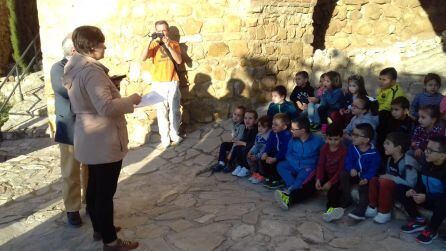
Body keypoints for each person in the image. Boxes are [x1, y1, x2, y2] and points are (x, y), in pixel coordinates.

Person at [63, 25, 141, 250]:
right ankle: (111, 241)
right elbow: (106, 107)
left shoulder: (73, 66)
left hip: (88, 136)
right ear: (91, 46)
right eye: (101, 42)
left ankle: (100, 229)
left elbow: (89, 99)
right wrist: (131, 100)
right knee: (105, 193)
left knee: (95, 186)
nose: (104, 46)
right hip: (102, 138)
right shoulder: (91, 71)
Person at [50, 34, 88, 227]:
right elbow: (65, 90)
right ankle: (72, 210)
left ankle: (90, 201)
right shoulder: (57, 68)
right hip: (69, 125)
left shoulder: (85, 64)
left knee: (90, 166)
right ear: (73, 50)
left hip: (88, 123)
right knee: (70, 170)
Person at [140, 20, 183, 148]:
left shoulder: (174, 44)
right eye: (159, 31)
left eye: (164, 30)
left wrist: (168, 45)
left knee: (175, 110)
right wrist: (149, 40)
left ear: (167, 31)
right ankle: (164, 138)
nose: (162, 33)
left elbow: (179, 61)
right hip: (158, 83)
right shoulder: (153, 45)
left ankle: (174, 134)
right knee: (161, 111)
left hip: (172, 80)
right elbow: (142, 58)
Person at [398, 136, 446, 245]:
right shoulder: (427, 162)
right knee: (400, 188)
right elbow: (421, 182)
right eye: (426, 148)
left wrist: (426, 197)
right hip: (428, 198)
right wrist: (414, 191)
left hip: (440, 204)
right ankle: (418, 220)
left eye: (430, 150)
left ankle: (432, 230)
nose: (426, 152)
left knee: (443, 202)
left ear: (442, 155)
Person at [366, 132, 419, 224]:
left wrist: (392, 178)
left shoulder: (408, 163)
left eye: (388, 143)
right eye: (384, 143)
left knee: (385, 182)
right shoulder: (390, 159)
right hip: (393, 187)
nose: (384, 145)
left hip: (406, 191)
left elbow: (411, 184)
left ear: (398, 148)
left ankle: (384, 212)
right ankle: (373, 206)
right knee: (374, 179)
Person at [274, 117, 324, 210]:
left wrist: (315, 166)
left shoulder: (318, 141)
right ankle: (292, 187)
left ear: (303, 130)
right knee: (281, 166)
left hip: (308, 167)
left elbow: (323, 156)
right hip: (294, 164)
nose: (291, 131)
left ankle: (289, 194)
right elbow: (288, 154)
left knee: (302, 176)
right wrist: (295, 164)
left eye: (293, 129)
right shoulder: (293, 139)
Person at [336, 123, 381, 221]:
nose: (353, 137)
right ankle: (346, 198)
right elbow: (348, 160)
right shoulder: (353, 147)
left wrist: (366, 178)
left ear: (366, 140)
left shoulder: (374, 153)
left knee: (364, 188)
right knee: (343, 174)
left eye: (356, 135)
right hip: (354, 174)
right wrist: (351, 168)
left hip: (365, 177)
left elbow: (373, 169)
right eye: (353, 134)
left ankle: (361, 209)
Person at [315, 125, 348, 222]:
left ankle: (330, 211)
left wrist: (330, 182)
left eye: (336, 139)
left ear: (341, 138)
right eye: (330, 139)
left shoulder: (343, 151)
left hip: (336, 177)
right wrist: (318, 179)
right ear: (326, 138)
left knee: (333, 193)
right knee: (315, 183)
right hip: (326, 173)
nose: (333, 142)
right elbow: (320, 165)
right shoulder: (324, 149)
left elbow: (341, 169)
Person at [261, 113, 292, 189]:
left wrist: (275, 158)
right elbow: (269, 144)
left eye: (276, 125)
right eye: (272, 124)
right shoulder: (272, 133)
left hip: (284, 156)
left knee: (275, 163)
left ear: (284, 127)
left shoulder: (287, 135)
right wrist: (266, 153)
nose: (273, 126)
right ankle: (269, 176)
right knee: (263, 159)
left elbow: (284, 150)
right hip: (276, 154)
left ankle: (278, 179)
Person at [212, 106, 246, 172]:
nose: (235, 116)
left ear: (242, 118)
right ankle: (221, 162)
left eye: (239, 115)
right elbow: (234, 135)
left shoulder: (242, 126)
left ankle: (230, 164)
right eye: (235, 114)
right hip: (235, 142)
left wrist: (231, 151)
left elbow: (238, 140)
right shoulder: (234, 123)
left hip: (239, 145)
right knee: (224, 145)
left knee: (234, 150)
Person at [376, 67, 405, 137]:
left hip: (392, 116)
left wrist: (375, 110)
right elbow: (378, 101)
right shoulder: (382, 89)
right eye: (380, 79)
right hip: (381, 112)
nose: (381, 81)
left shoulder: (395, 91)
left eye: (384, 80)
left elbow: (388, 106)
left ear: (393, 82)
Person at [231, 110, 258, 177]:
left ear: (255, 120)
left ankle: (246, 168)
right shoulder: (247, 128)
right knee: (237, 148)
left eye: (250, 118)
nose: (247, 120)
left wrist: (242, 143)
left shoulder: (255, 130)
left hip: (254, 148)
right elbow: (244, 140)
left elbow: (253, 144)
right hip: (246, 145)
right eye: (245, 118)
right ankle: (240, 165)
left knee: (244, 149)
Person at [247, 116, 271, 184]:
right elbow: (256, 145)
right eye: (259, 126)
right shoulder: (258, 135)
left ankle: (261, 175)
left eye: (263, 127)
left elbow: (265, 149)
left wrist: (257, 156)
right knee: (249, 156)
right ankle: (255, 173)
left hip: (264, 152)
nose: (260, 128)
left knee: (260, 161)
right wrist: (251, 151)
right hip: (259, 150)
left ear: (268, 128)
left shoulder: (268, 135)